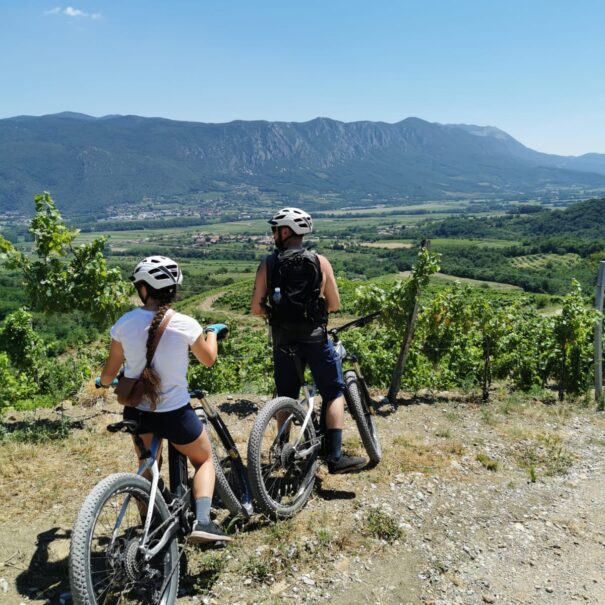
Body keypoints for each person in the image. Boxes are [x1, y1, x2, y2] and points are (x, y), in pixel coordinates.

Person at [98, 255, 231, 543]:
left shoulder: (124, 323)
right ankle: (204, 521)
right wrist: (210, 333)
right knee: (205, 458)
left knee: (148, 468)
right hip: (174, 414)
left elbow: (108, 374)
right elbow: (208, 359)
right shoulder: (186, 324)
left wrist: (106, 382)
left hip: (138, 413)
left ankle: (151, 525)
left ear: (143, 290)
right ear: (173, 290)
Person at [251, 207, 367, 473]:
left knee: (285, 396)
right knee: (334, 392)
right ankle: (336, 457)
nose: (272, 235)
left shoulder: (268, 264)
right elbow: (335, 305)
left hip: (283, 340)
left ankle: (282, 450)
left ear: (284, 231)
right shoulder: (320, 261)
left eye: (274, 230)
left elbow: (256, 309)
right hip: (315, 339)